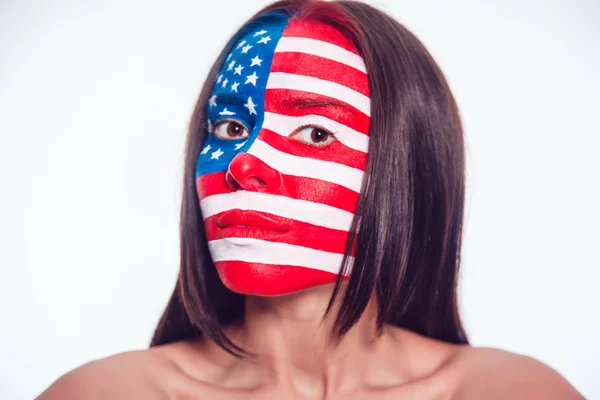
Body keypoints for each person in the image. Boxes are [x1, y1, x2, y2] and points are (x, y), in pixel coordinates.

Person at [37, 0, 584, 398]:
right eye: (229, 128)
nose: (244, 163)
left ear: (406, 170)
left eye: (316, 133)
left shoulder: (512, 391)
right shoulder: (102, 392)